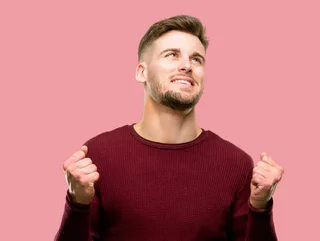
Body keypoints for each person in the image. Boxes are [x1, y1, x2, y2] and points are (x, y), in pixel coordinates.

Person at [54, 15, 284, 241]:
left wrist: (260, 208)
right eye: (172, 55)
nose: (186, 66)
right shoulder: (98, 155)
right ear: (141, 72)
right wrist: (77, 204)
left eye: (197, 59)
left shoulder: (236, 165)